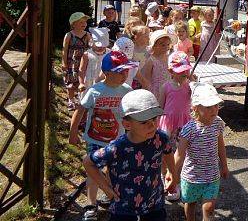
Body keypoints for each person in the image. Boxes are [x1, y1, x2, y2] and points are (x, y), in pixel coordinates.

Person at [83, 89, 177, 221]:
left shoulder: (160, 138)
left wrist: (172, 173)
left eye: (154, 119)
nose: (152, 125)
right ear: (127, 124)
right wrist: (106, 189)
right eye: (144, 122)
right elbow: (88, 162)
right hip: (123, 208)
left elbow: (167, 151)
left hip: (154, 203)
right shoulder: (117, 147)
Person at [69, 51, 137, 221]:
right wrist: (73, 132)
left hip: (117, 140)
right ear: (106, 73)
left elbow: (132, 113)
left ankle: (110, 196)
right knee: (93, 172)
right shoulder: (95, 91)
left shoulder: (127, 91)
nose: (125, 74)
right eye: (120, 71)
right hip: (94, 139)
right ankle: (91, 204)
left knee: (114, 170)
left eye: (126, 70)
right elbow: (80, 110)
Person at [175, 82, 229, 221]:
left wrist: (224, 165)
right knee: (190, 204)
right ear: (196, 108)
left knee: (209, 207)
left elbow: (220, 145)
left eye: (216, 106)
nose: (214, 110)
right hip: (191, 176)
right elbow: (180, 154)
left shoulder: (218, 123)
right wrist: (173, 174)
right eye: (209, 107)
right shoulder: (189, 129)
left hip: (212, 175)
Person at [159, 51, 193, 201]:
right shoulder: (165, 87)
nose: (184, 74)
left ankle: (176, 180)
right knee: (166, 152)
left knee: (181, 154)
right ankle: (163, 176)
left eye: (186, 71)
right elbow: (160, 107)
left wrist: (193, 81)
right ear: (170, 71)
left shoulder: (189, 87)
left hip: (184, 124)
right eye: (181, 72)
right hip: (168, 125)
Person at [62, 12, 92, 109]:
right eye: (81, 22)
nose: (84, 24)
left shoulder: (87, 35)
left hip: (84, 62)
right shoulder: (69, 35)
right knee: (71, 81)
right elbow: (65, 49)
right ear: (73, 24)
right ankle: (71, 99)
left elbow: (91, 46)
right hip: (72, 62)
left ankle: (80, 98)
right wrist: (64, 62)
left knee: (81, 80)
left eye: (85, 22)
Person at [142, 30, 176, 103]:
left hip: (168, 89)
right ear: (154, 46)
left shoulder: (169, 58)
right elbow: (146, 79)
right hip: (156, 91)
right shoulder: (151, 61)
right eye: (163, 45)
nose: (166, 47)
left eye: (168, 45)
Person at [78, 27, 110, 93]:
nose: (100, 48)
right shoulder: (87, 54)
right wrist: (81, 83)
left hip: (104, 83)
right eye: (98, 46)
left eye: (103, 45)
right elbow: (81, 70)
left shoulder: (109, 53)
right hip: (89, 83)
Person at [128, 25, 151, 90]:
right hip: (133, 80)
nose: (148, 38)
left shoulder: (149, 50)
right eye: (145, 36)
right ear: (136, 37)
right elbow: (132, 68)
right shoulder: (131, 50)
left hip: (145, 80)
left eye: (148, 36)